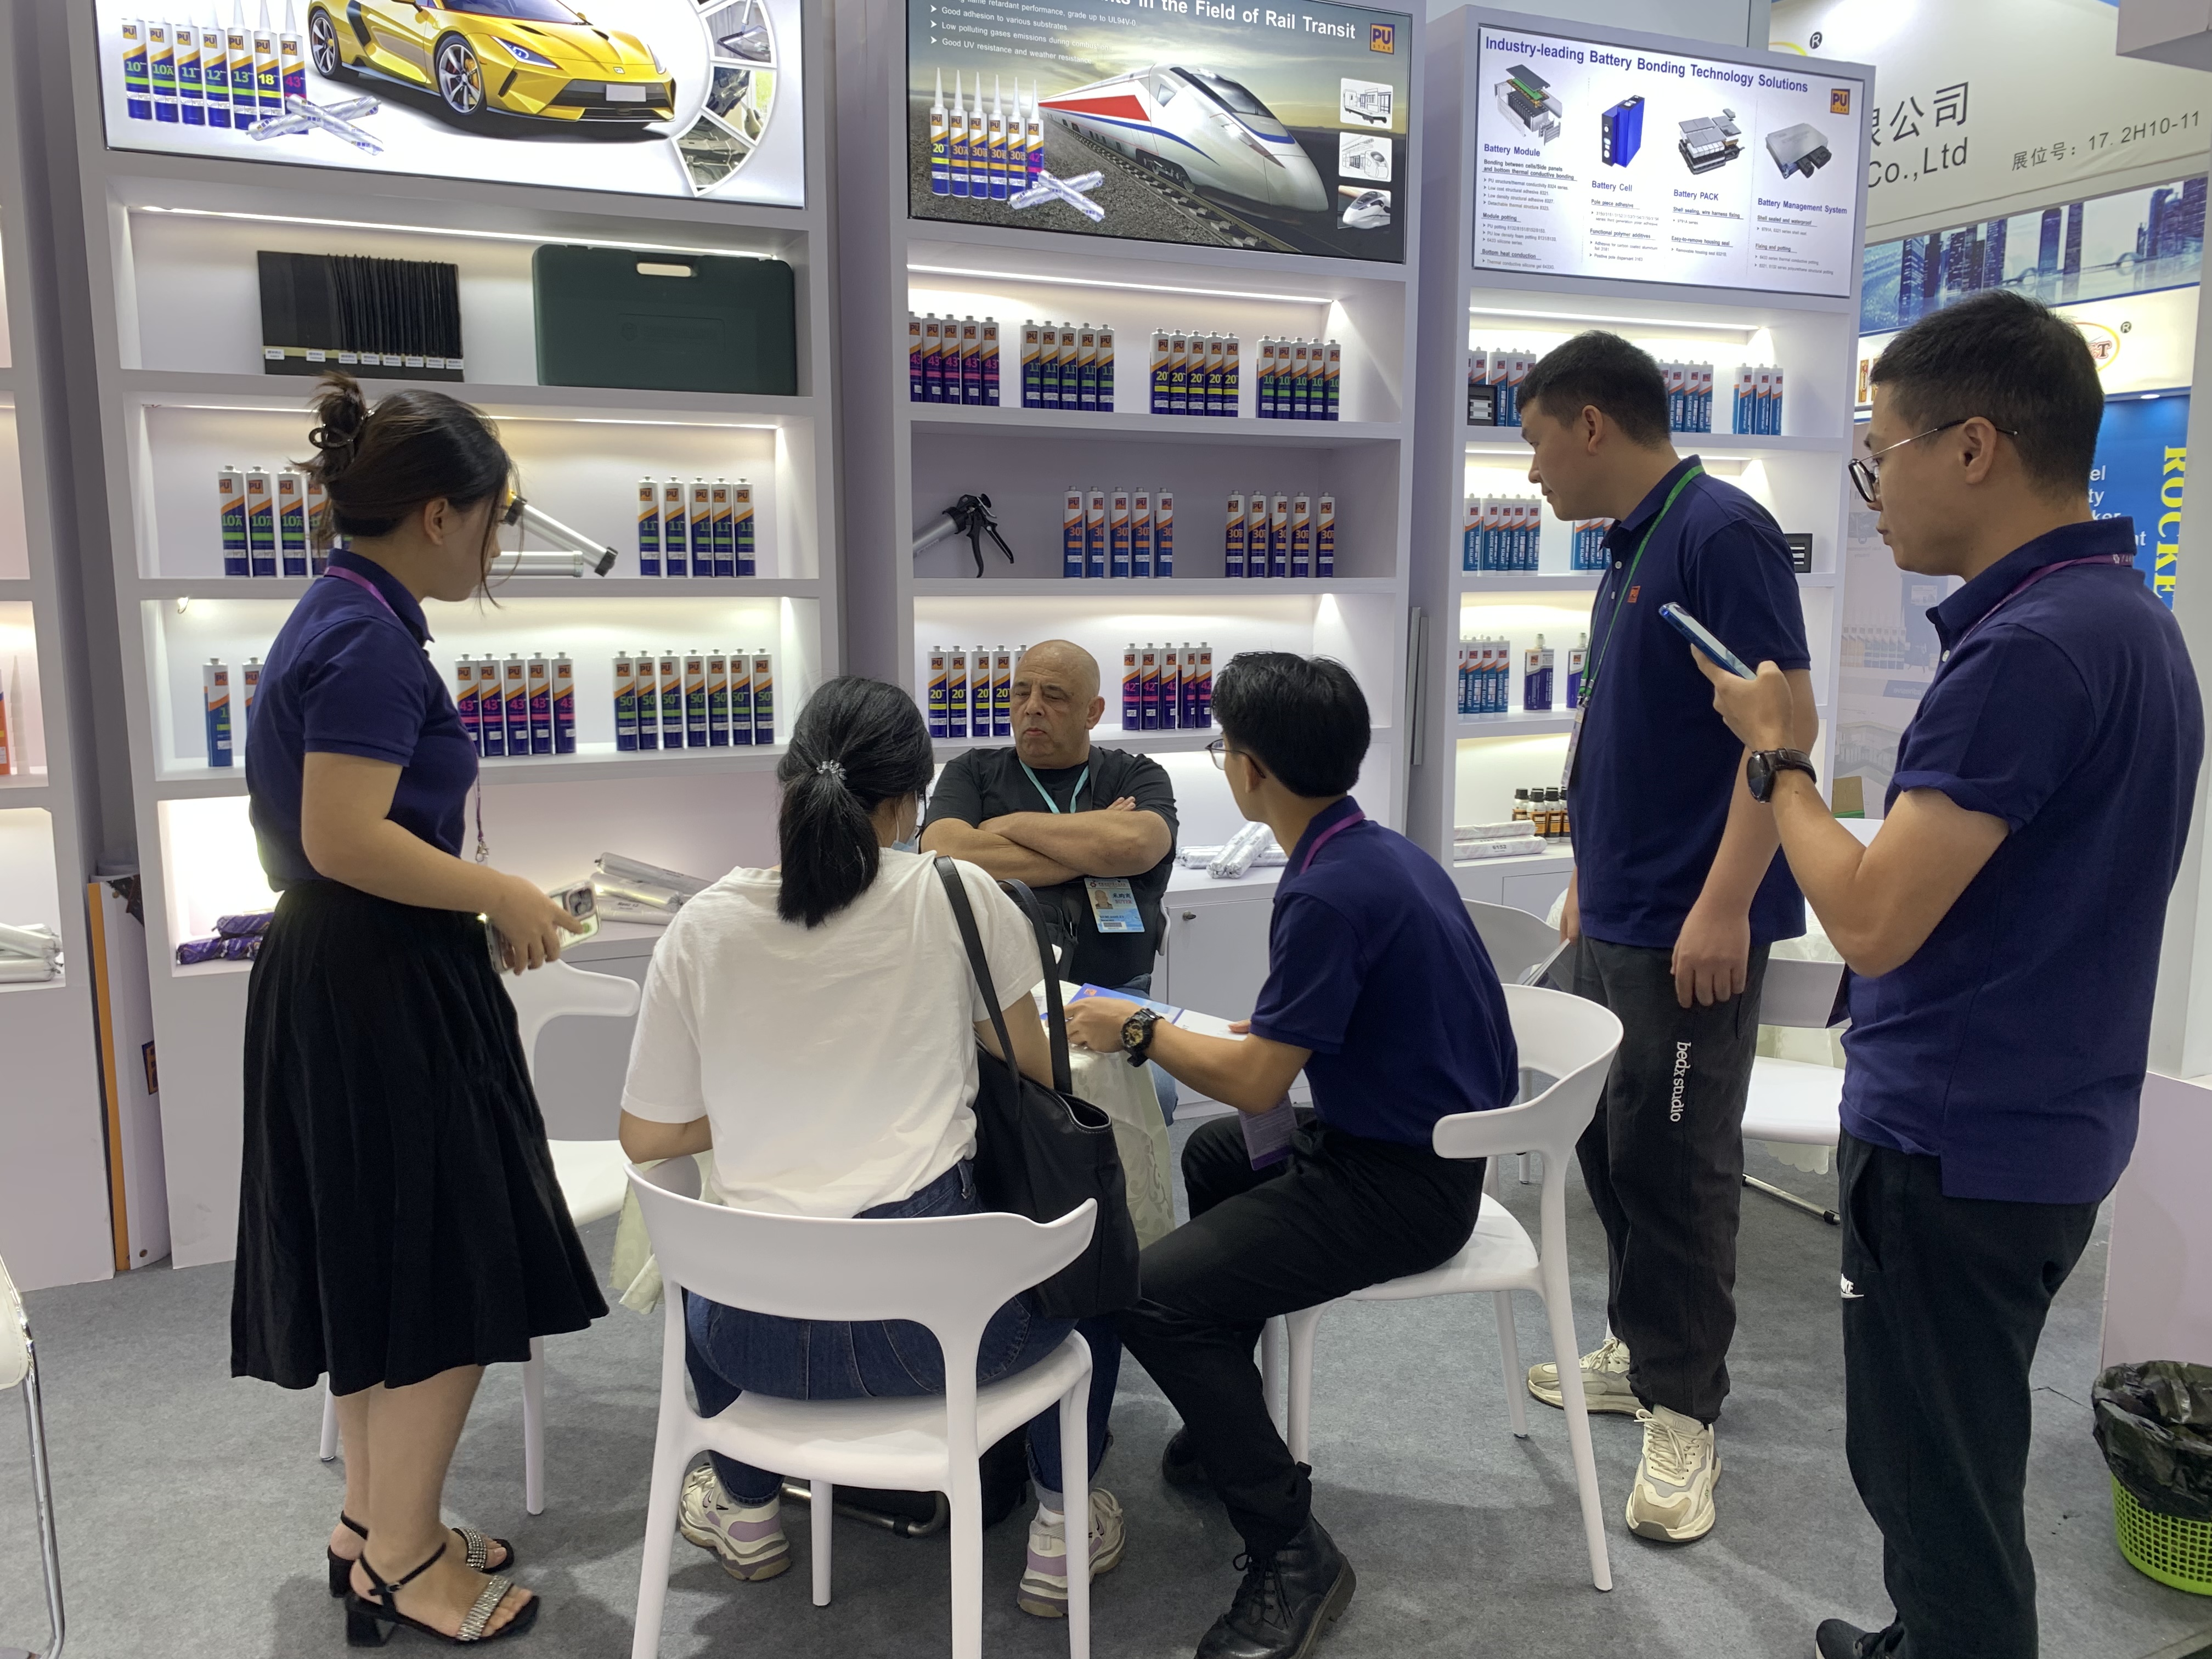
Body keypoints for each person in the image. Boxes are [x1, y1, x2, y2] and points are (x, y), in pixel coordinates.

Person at [1692, 291, 2203, 1659]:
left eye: (1883, 455)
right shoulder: (2124, 619)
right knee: (1943, 1454)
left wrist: (1779, 759)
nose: (1873, 497)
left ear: (1974, 447)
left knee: (1939, 1490)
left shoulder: (2027, 651)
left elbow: (1868, 920)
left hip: (1956, 1142)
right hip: (2043, 1120)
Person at [617, 675, 1127, 1618]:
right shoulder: (957, 896)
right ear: (908, 801)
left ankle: (748, 1512)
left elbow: (648, 1136)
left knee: (703, 1251)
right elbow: (1036, 1065)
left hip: (748, 1341)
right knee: (1089, 1269)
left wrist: (769, 1099)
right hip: (943, 1340)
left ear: (788, 782)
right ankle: (1062, 1531)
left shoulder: (701, 926)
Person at [232, 374, 605, 1646]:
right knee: (446, 1265)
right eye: (499, 519)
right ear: (442, 515)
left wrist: (471, 902)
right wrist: (498, 890)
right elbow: (345, 836)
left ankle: (376, 1524)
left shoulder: (346, 613)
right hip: (374, 983)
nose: (500, 546)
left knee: (382, 1261)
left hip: (364, 970)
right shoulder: (369, 641)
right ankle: (402, 1558)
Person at [1065, 653, 1517, 1659]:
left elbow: (1262, 1084)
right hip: (1415, 1146)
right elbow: (1312, 1036)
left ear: (1252, 768)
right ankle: (1227, 1421)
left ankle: (1292, 1553)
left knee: (1151, 1296)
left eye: (1223, 745)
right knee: (1218, 1157)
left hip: (1402, 1183)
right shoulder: (1374, 852)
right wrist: (1246, 1033)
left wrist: (1136, 1028)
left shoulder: (1325, 891)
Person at [1515, 330, 1819, 1544]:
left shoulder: (1720, 532)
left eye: (1537, 440)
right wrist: (1586, 874)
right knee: (1610, 1142)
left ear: (1591, 424)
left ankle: (1684, 1408)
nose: (1531, 468)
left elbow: (1785, 727)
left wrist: (1727, 900)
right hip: (1620, 905)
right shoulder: (1632, 545)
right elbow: (1631, 728)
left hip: (1692, 917)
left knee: (1680, 1165)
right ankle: (1641, 1350)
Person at [921, 639, 1181, 1119]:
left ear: (1092, 712)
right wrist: (1096, 848)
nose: (1033, 707)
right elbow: (947, 851)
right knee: (980, 1100)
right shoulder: (972, 772)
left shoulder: (1136, 775)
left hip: (1114, 993)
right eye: (1021, 693)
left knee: (1156, 1094)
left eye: (1054, 696)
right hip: (997, 999)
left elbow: (1137, 845)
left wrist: (1007, 826)